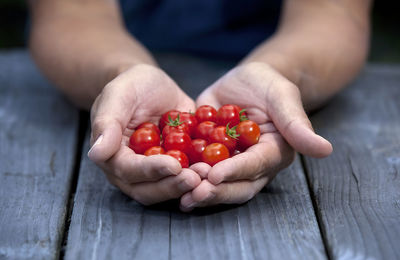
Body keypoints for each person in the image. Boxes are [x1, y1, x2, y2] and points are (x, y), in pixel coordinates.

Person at [28, 0, 372, 211]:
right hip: (109, 53)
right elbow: (72, 13)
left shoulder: (221, 128)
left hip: (275, 50)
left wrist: (278, 72)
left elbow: (332, 13)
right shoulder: (194, 132)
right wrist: (121, 73)